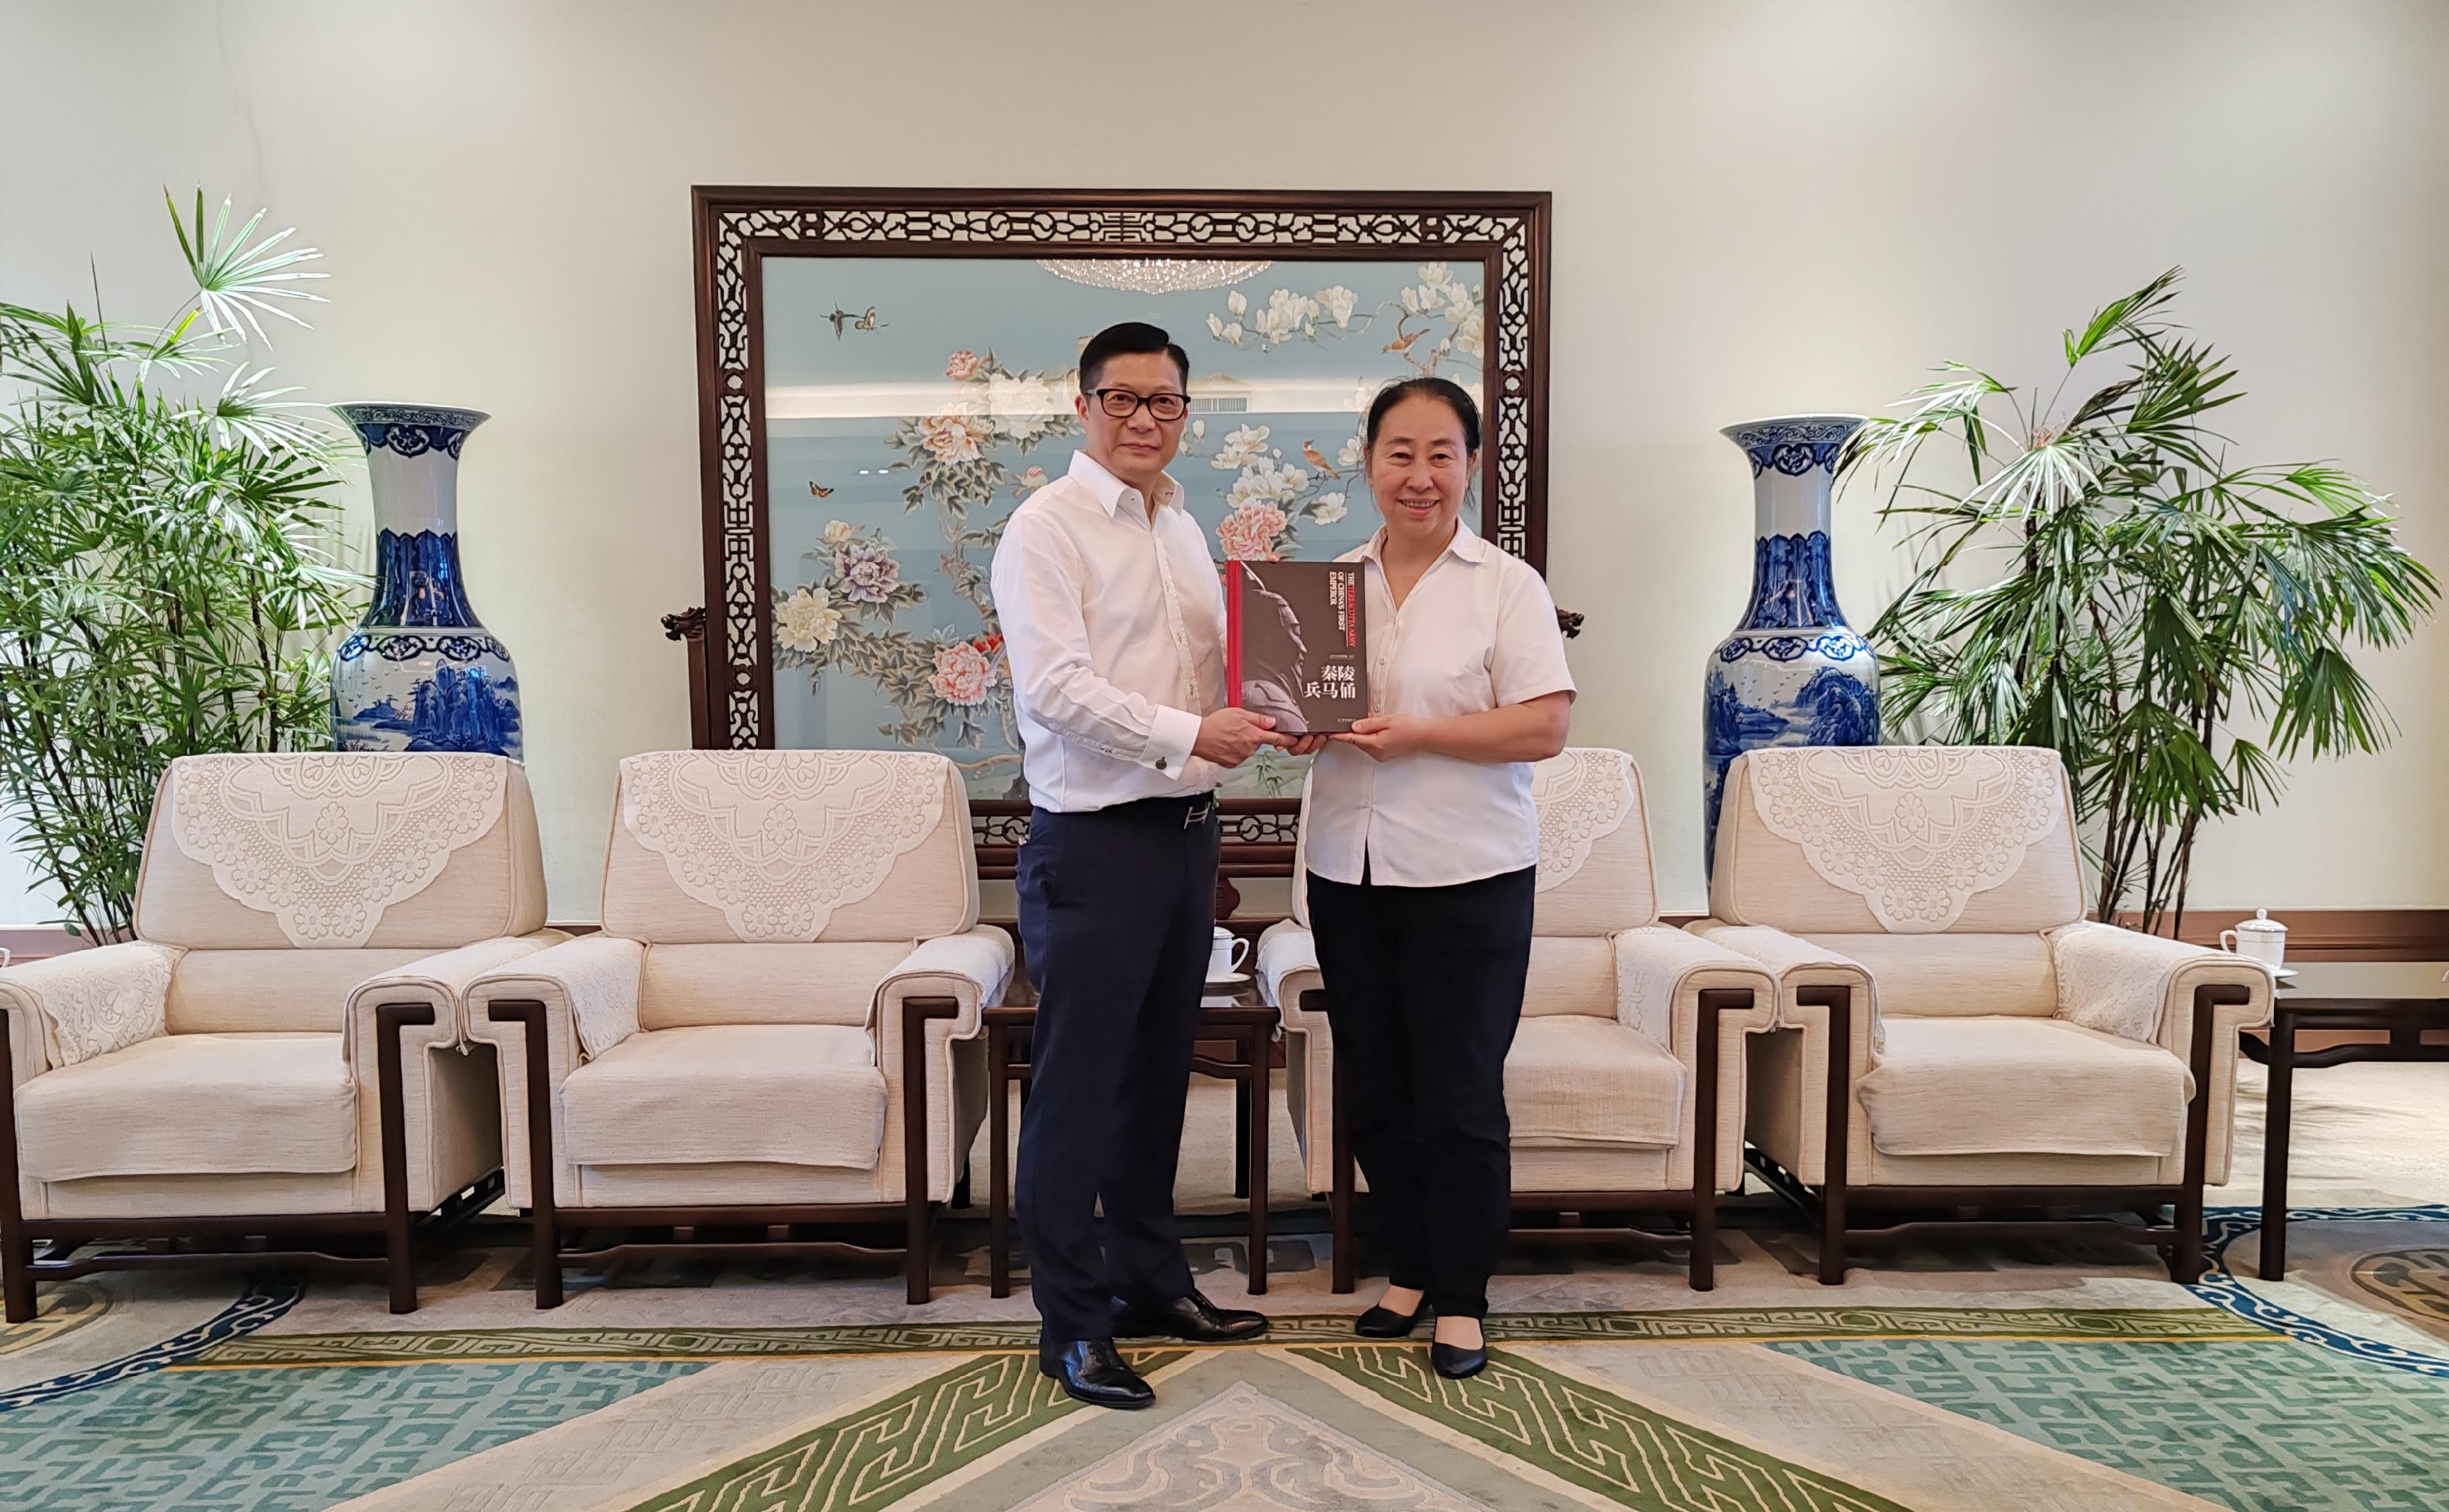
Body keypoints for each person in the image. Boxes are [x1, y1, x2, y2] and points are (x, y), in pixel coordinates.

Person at [989, 321, 1293, 1409]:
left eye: (1164, 403)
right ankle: (1071, 1325)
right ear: (1082, 407)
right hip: (1095, 847)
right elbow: (1055, 693)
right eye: (1122, 400)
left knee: (1158, 1078)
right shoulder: (1047, 530)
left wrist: (1279, 713)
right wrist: (1186, 733)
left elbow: (1215, 672)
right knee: (1075, 1094)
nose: (1144, 422)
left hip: (1185, 840)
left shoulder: (1180, 525)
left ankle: (1152, 1283)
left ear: (1183, 415)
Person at [1303, 377, 1575, 1379]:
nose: (1419, 476)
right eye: (1399, 453)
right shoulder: (1326, 583)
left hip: (1469, 875)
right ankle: (1410, 1264)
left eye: (1441, 454)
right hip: (1348, 870)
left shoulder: (1507, 585)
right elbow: (1302, 712)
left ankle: (1462, 1293)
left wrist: (1417, 734)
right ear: (1367, 461)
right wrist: (1292, 723)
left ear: (1470, 463)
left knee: (1459, 1093)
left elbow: (1543, 724)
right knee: (1378, 1087)